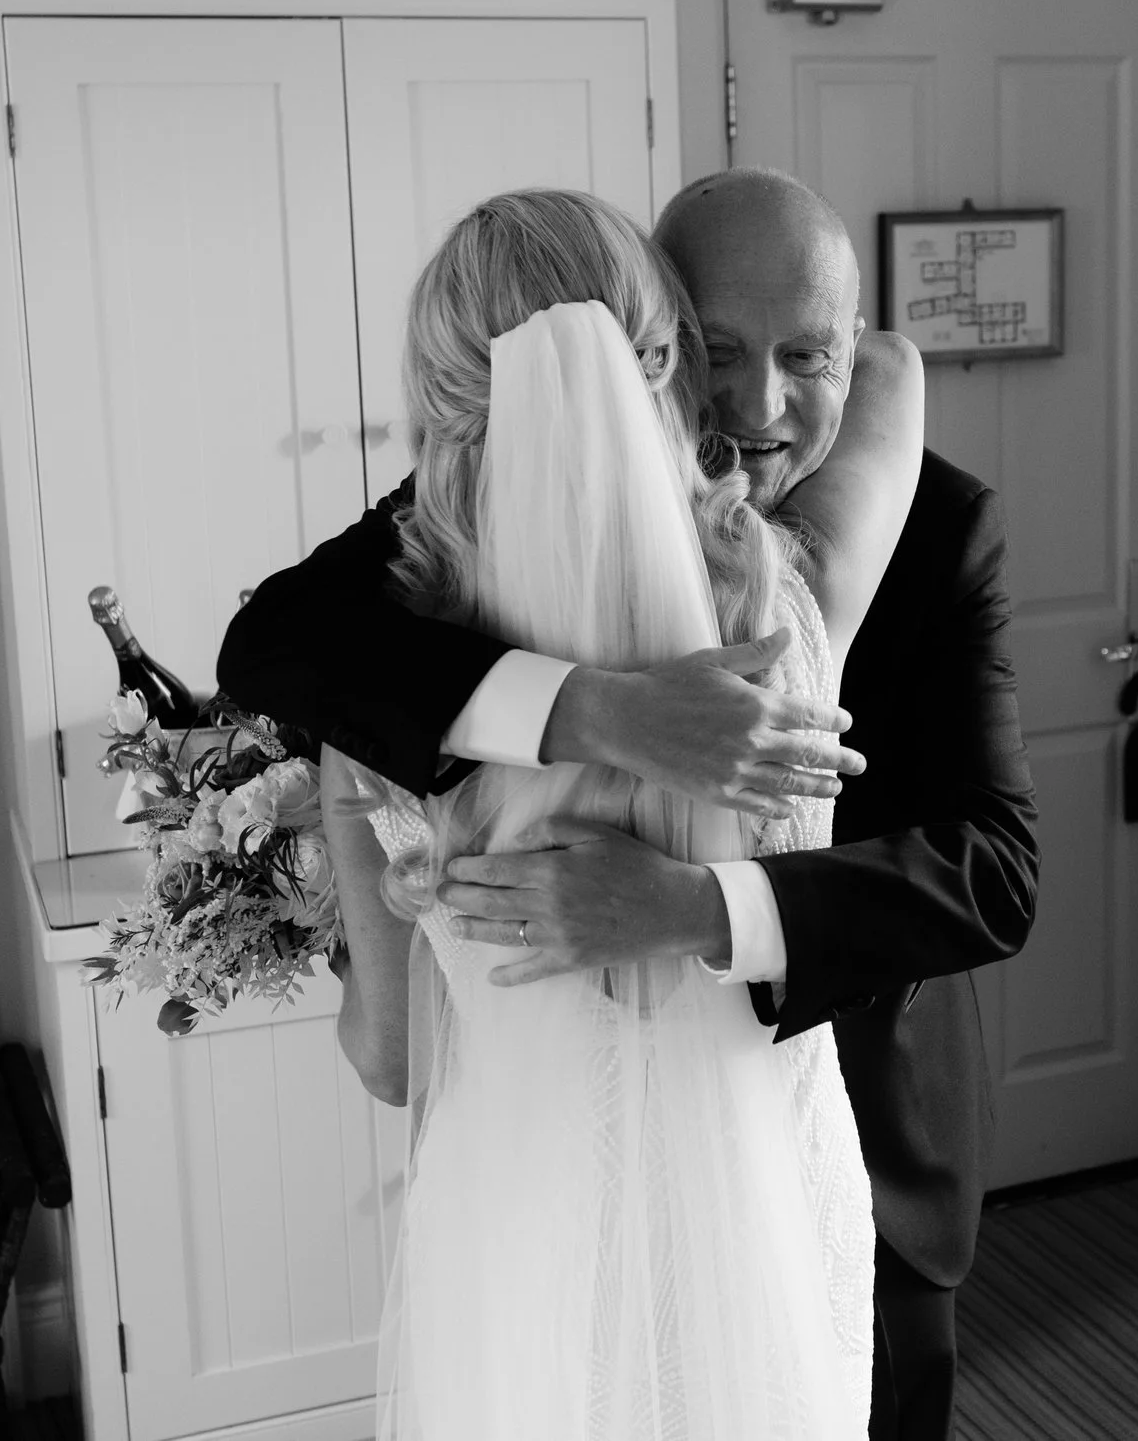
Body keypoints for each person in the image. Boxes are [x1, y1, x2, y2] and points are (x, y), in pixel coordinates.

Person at [220, 168, 1037, 1441]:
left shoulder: (933, 527)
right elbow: (269, 637)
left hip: (851, 1143)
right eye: (714, 350)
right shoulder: (792, 595)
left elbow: (992, 869)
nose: (761, 407)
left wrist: (694, 908)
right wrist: (600, 709)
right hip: (625, 1187)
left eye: (804, 355)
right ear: (650, 339)